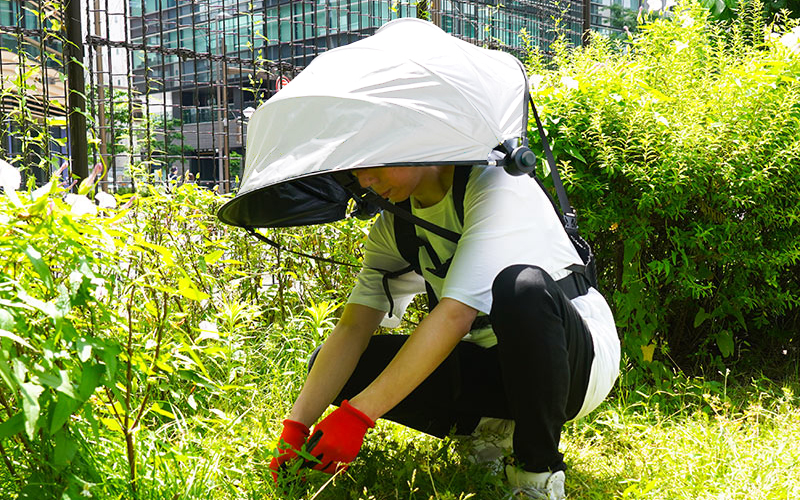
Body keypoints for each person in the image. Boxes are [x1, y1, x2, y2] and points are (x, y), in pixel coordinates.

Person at [269, 162, 621, 499]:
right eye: (355, 171)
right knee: (341, 368)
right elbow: (353, 327)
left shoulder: (496, 185)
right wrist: (297, 426)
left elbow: (456, 316)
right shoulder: (396, 227)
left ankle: (536, 473)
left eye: (373, 165)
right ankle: (492, 428)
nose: (364, 182)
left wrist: (358, 416)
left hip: (576, 365)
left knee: (522, 288)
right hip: (493, 362)